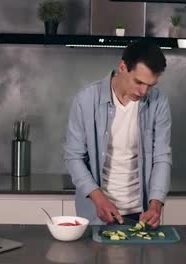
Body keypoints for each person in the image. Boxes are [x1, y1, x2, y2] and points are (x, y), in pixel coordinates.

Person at [64, 41, 172, 228]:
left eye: (150, 85)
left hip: (141, 212)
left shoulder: (159, 102)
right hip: (97, 211)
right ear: (123, 67)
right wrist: (98, 199)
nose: (143, 91)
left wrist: (156, 205)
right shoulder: (86, 100)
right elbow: (73, 157)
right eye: (138, 82)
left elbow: (161, 156)